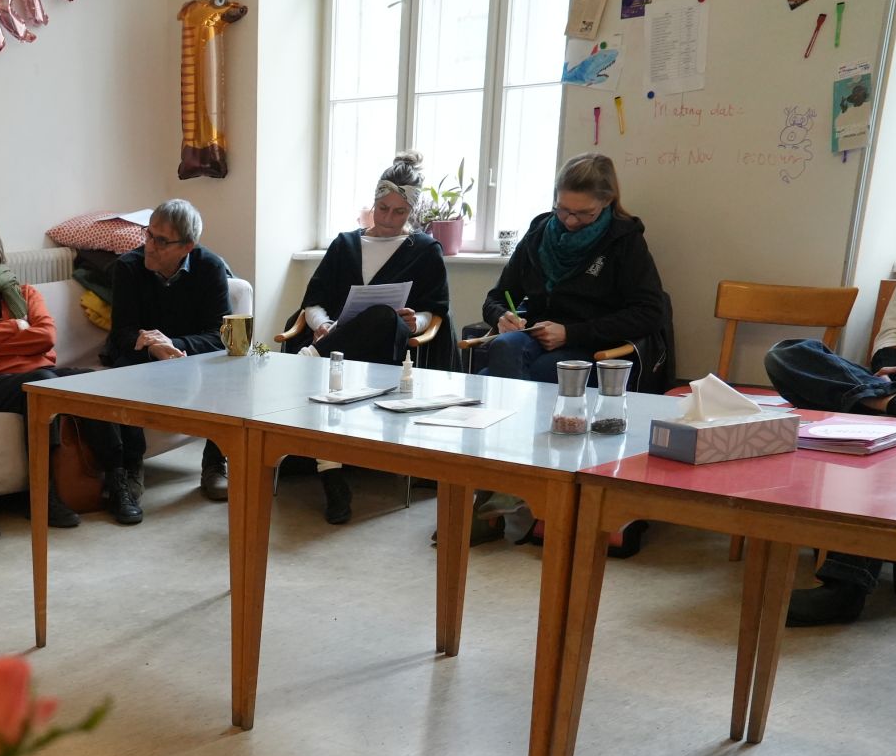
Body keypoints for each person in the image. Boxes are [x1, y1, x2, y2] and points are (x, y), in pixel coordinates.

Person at [284, 151, 452, 523]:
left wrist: (416, 322)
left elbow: (435, 309)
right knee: (344, 346)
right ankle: (331, 471)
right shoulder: (344, 244)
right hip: (334, 341)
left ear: (412, 212)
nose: (389, 219)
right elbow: (313, 301)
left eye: (399, 212)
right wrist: (322, 324)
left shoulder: (425, 250)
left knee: (380, 316)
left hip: (384, 349)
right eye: (382, 209)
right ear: (373, 203)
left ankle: (308, 359)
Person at [763, 245, 896, 626]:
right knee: (788, 354)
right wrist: (891, 379)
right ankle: (892, 405)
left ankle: (845, 588)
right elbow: (895, 332)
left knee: (874, 429)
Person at [0, 221, 125, 527]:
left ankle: (118, 480)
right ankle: (42, 495)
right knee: (42, 385)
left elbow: (45, 337)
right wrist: (15, 327)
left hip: (38, 373)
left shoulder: (25, 293)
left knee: (92, 381)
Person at [478, 153, 668, 384]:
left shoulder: (624, 240)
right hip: (537, 336)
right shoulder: (538, 233)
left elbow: (650, 312)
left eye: (584, 213)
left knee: (503, 376)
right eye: (562, 209)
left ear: (606, 201)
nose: (570, 220)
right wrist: (502, 317)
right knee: (503, 346)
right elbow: (495, 298)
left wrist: (571, 333)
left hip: (594, 345)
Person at [102, 199, 236, 502]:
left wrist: (174, 345)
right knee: (122, 373)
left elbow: (219, 335)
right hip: (141, 355)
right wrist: (153, 348)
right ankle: (132, 465)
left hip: (190, 356)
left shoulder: (210, 267)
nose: (150, 246)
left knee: (232, 368)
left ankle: (215, 462)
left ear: (187, 246)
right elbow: (121, 332)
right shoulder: (128, 267)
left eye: (161, 241)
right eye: (149, 235)